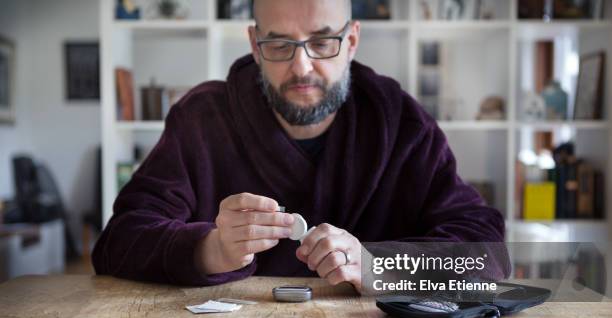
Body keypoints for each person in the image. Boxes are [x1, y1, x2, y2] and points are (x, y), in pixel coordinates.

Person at [92, 0, 508, 293]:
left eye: (323, 41)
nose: (302, 66)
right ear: (255, 45)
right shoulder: (201, 118)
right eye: (279, 44)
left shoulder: (400, 122)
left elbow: (486, 248)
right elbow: (118, 242)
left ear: (352, 41)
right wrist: (210, 250)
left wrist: (380, 266)